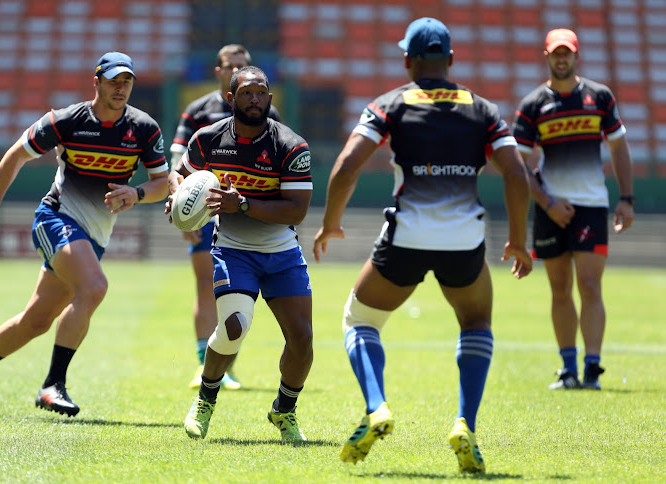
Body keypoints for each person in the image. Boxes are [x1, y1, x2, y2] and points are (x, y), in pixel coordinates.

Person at [313, 17, 532, 473]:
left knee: (360, 319)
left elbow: (347, 165)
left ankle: (377, 407)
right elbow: (515, 173)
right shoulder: (484, 109)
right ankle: (465, 424)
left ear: (408, 61)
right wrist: (516, 240)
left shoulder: (390, 104)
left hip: (407, 236)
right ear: (450, 60)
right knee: (475, 322)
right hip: (464, 240)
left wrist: (330, 223)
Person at [0, 52, 169, 417]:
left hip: (94, 235)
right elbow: (14, 156)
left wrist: (138, 193)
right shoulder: (66, 120)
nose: (120, 87)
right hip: (55, 218)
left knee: (35, 321)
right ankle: (53, 385)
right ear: (96, 82)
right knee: (95, 287)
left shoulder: (144, 129)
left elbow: (163, 182)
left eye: (127, 81)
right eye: (113, 80)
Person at [166, 66, 313, 442]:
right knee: (234, 328)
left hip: (282, 250)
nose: (254, 99)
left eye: (261, 92)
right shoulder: (207, 140)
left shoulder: (291, 145)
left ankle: (284, 411)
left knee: (302, 340)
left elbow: (296, 210)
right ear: (230, 99)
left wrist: (243, 204)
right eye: (246, 93)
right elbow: (185, 179)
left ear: (270, 99)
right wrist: (178, 201)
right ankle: (205, 402)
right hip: (234, 249)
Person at [512, 29, 635, 391]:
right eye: (556, 53)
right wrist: (547, 202)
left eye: (567, 53)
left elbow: (618, 148)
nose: (561, 58)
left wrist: (626, 199)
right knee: (560, 287)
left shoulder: (599, 97)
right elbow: (518, 165)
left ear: (577, 56)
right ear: (546, 56)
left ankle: (592, 369)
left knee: (590, 284)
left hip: (591, 206)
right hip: (550, 208)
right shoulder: (533, 104)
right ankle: (568, 370)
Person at [170, 44, 281, 391]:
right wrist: (182, 206)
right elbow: (178, 163)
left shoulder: (267, 111)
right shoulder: (197, 110)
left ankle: (228, 366)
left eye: (243, 66)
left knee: (240, 292)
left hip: (245, 212)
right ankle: (205, 364)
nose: (237, 70)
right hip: (205, 210)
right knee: (206, 285)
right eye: (231, 66)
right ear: (219, 71)